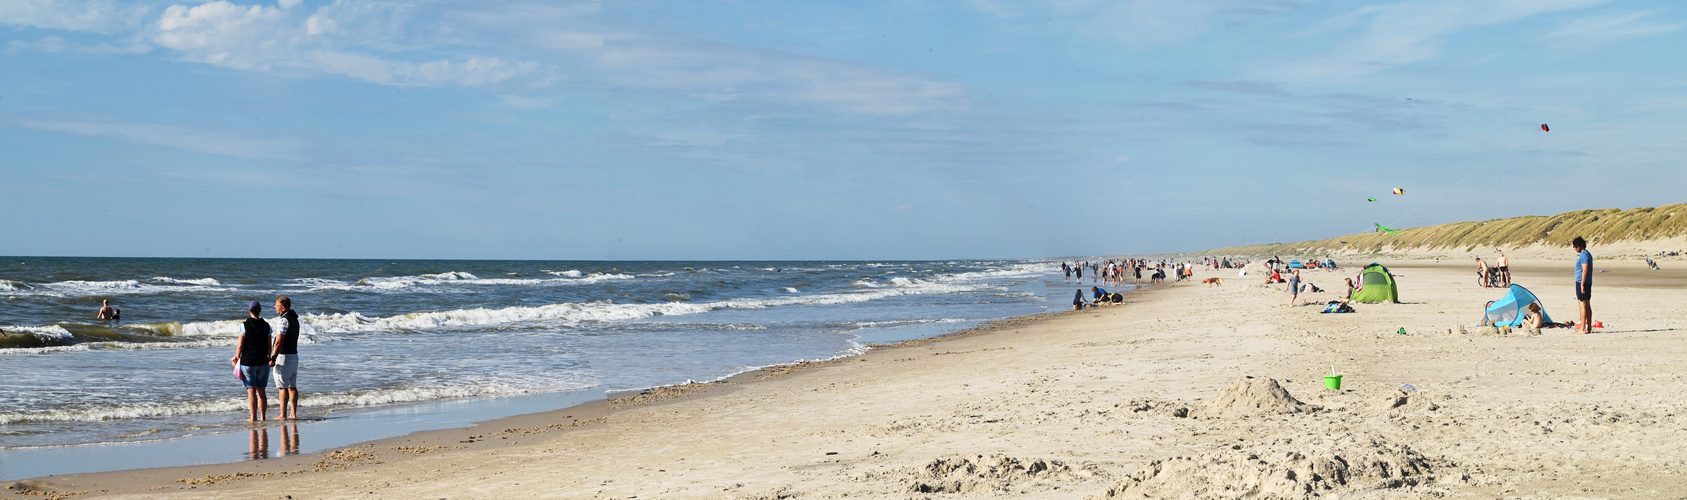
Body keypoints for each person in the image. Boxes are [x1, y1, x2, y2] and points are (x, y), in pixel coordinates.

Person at [231, 300, 272, 422]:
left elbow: (240, 345)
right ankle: (263, 417)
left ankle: (253, 417)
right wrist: (269, 357)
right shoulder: (267, 325)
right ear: (260, 311)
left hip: (248, 362)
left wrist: (236, 357)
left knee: (251, 391)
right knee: (262, 392)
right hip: (263, 361)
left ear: (249, 311)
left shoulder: (244, 325)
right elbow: (269, 346)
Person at [269, 296, 302, 420]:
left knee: (282, 387)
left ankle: (283, 414)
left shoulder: (283, 320)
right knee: (292, 386)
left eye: (276, 305)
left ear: (283, 307)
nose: (275, 307)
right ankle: (293, 413)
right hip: (294, 355)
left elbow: (279, 342)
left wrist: (273, 358)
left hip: (284, 357)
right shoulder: (295, 319)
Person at [1572, 237, 1593, 335]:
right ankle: (1588, 328)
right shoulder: (1587, 254)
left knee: (1582, 304)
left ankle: (1583, 328)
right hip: (1587, 282)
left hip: (1583, 282)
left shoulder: (1584, 255)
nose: (1574, 248)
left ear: (1579, 246)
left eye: (1575, 246)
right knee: (1587, 304)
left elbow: (1585, 270)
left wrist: (1582, 284)